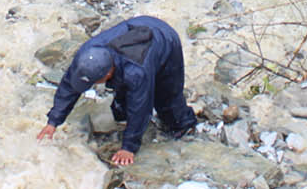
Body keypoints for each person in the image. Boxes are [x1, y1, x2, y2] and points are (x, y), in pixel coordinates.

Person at [36, 15, 197, 166]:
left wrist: (128, 147)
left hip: (165, 40)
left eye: (94, 81)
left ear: (108, 73)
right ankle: (127, 123)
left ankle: (184, 127)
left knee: (166, 99)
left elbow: (141, 106)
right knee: (122, 106)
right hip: (137, 30)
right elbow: (69, 86)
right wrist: (53, 121)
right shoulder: (87, 55)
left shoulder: (136, 72)